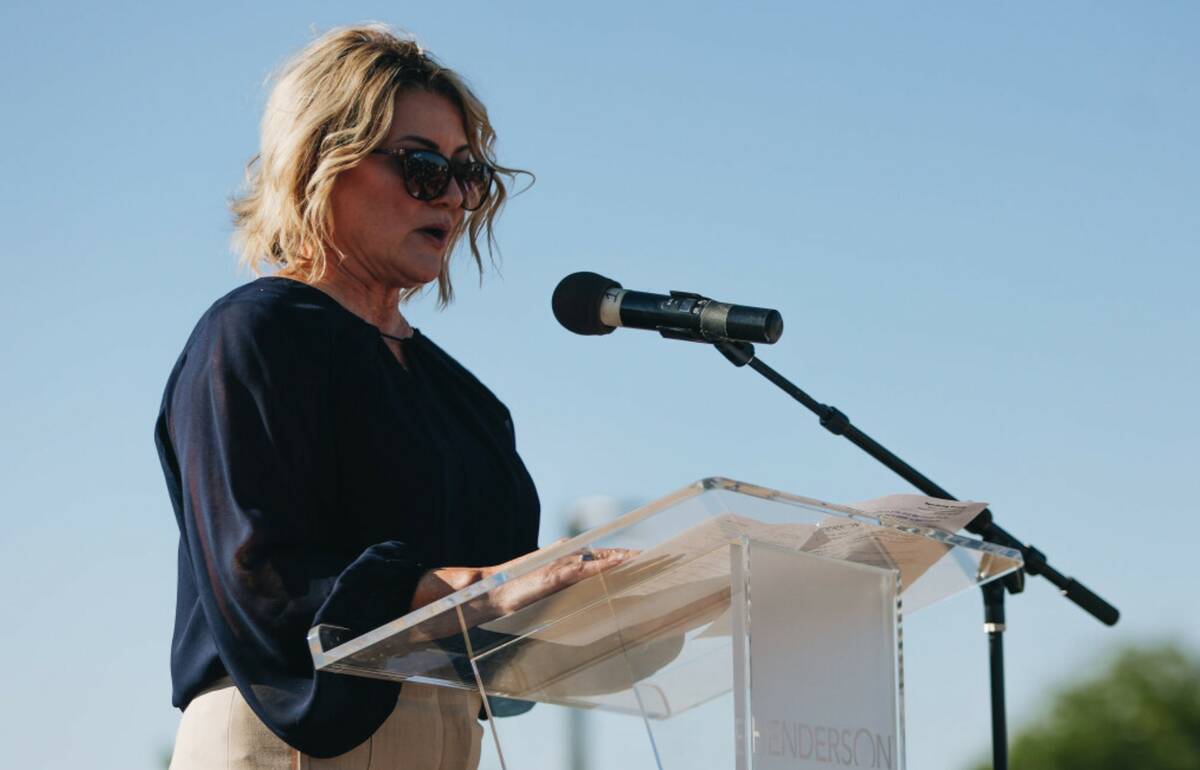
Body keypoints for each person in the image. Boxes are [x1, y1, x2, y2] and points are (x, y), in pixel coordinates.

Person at [155, 24, 626, 769]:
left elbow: (508, 616)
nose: (457, 198)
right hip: (290, 740)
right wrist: (459, 590)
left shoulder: (464, 401)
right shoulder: (253, 335)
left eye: (468, 173)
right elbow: (262, 579)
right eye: (422, 167)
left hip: (445, 733)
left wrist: (624, 596)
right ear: (321, 161)